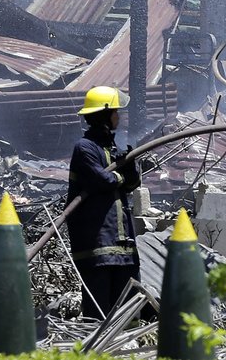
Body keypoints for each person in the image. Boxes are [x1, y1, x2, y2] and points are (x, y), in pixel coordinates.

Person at [66, 85, 141, 319]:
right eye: (116, 111)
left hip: (123, 246)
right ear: (105, 114)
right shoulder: (85, 148)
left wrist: (129, 168)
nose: (120, 116)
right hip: (97, 248)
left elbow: (129, 185)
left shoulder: (112, 148)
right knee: (98, 313)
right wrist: (119, 175)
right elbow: (103, 180)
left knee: (129, 311)